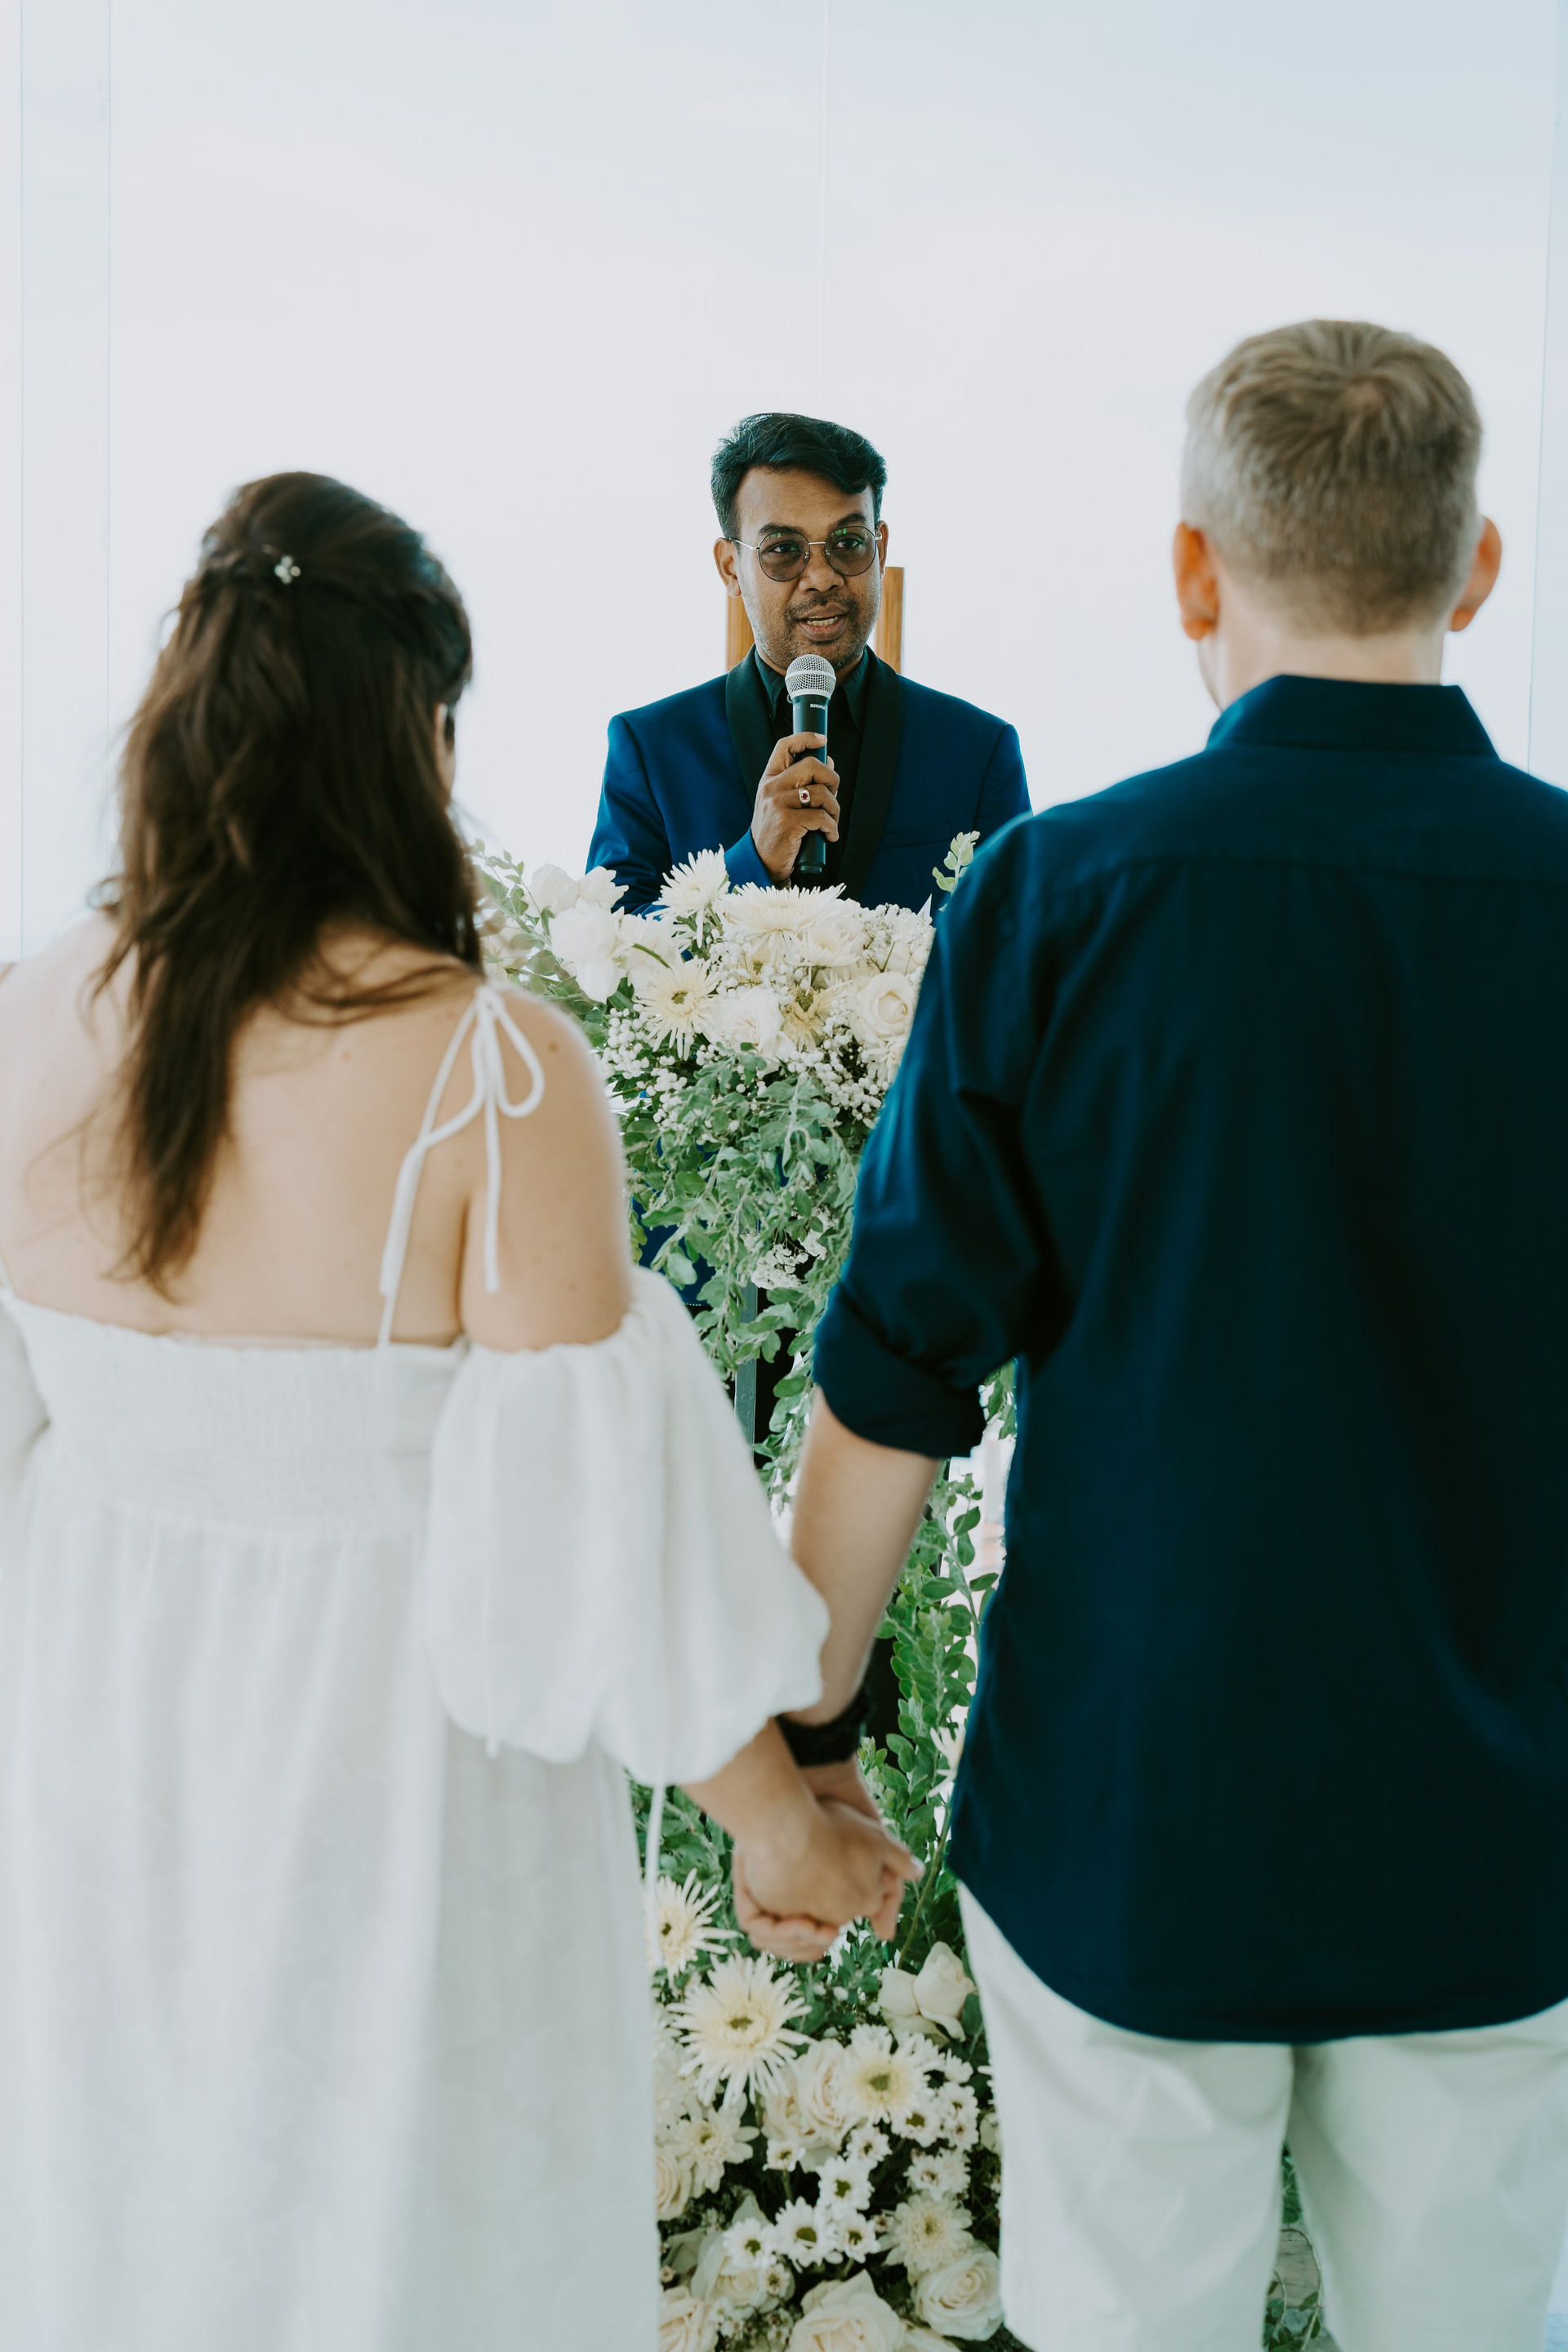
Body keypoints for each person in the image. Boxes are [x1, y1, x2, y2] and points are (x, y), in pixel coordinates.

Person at [0, 472, 915, 2352]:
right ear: (415, 735)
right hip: (393, 1799)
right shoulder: (488, 1070)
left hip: (100, 1781)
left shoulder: (32, 1013)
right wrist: (781, 1826)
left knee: (139, 2232)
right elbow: (595, 1553)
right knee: (398, 2243)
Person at [780, 322, 1568, 2352]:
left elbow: (897, 1369)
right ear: (1477, 567)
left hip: (1134, 1814)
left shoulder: (1058, 894)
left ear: (1194, 574)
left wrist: (810, 1729)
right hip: (1501, 1825)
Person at [585, 412, 1029, 911]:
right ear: (731, 568)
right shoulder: (650, 749)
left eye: (848, 543)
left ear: (880, 550)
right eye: (783, 549)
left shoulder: (979, 750)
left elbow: (1022, 942)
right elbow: (610, 947)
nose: (821, 577)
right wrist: (753, 862)